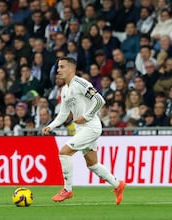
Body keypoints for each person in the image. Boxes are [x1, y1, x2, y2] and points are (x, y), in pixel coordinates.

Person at [41, 57, 125, 205]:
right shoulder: (65, 90)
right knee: (92, 164)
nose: (58, 70)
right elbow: (63, 114)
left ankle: (67, 189)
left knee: (64, 152)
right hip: (82, 129)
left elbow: (100, 100)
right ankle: (118, 185)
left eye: (62, 67)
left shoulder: (81, 83)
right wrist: (51, 126)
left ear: (71, 69)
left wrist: (86, 116)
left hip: (91, 127)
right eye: (58, 67)